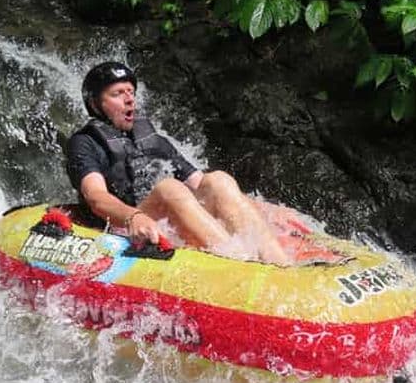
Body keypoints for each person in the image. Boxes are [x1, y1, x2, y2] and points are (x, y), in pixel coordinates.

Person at [65, 61, 290, 265]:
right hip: (122, 227)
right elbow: (96, 197)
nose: (129, 98)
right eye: (117, 94)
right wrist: (133, 217)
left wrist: (265, 209)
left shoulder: (151, 139)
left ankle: (280, 265)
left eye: (131, 92)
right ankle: (242, 264)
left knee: (218, 180)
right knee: (168, 188)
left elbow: (202, 185)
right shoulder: (84, 143)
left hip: (158, 222)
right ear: (95, 104)